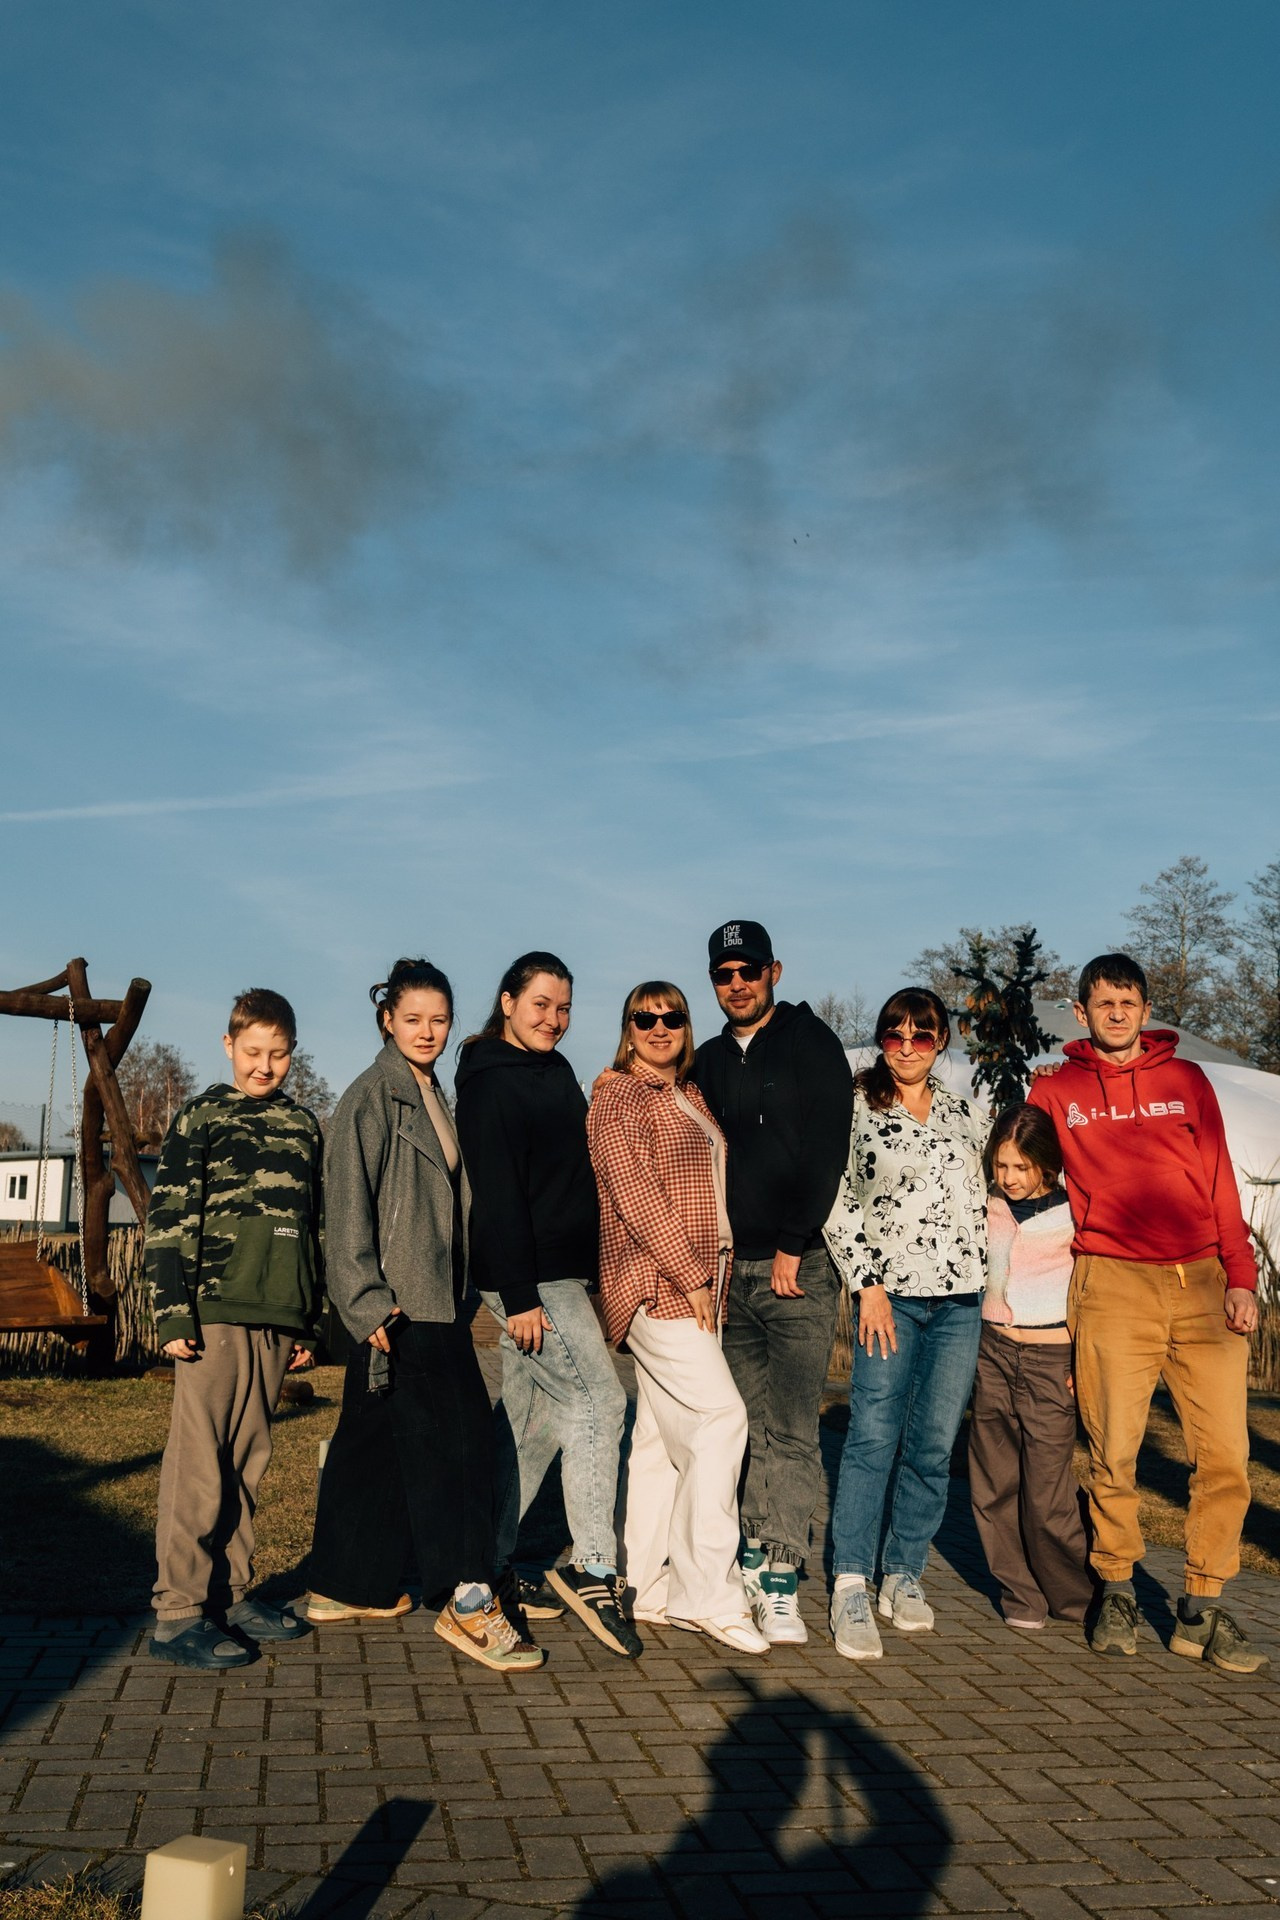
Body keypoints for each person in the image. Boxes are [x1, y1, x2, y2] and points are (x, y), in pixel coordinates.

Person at [1028, 953, 1267, 1675]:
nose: (1118, 1012)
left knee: (1225, 1454)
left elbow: (1221, 1176)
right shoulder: (1056, 1090)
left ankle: (1201, 1607)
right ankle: (1120, 1589)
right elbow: (1023, 1181)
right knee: (1115, 1448)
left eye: (1129, 1001)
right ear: (1082, 1012)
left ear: (1145, 1008)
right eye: (1104, 1003)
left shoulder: (1186, 1080)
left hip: (1201, 1281)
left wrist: (1241, 1274)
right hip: (1113, 1283)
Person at [305, 959, 541, 1674]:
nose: (428, 1031)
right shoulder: (372, 1096)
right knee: (462, 1443)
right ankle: (469, 1604)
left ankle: (345, 1584)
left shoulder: (430, 1089)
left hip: (434, 1293)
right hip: (403, 1301)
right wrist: (366, 1299)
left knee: (371, 1444)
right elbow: (345, 1207)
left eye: (439, 1019)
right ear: (387, 1020)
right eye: (413, 1019)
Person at [455, 952, 640, 1659]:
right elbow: (497, 1192)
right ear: (507, 1002)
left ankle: (489, 1566)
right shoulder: (487, 1082)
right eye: (539, 1005)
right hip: (528, 1281)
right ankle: (592, 1568)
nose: (553, 1020)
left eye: (563, 1008)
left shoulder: (557, 1071)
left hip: (564, 1275)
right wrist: (522, 1295)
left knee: (530, 1426)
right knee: (600, 1402)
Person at [588, 981, 767, 1655]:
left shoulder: (686, 1094)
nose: (659, 1027)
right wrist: (690, 1275)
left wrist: (705, 1278)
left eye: (672, 1017)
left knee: (661, 1444)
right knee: (724, 1420)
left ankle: (646, 1584)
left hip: (701, 1281)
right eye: (645, 1017)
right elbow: (635, 1196)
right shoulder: (617, 1097)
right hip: (654, 1282)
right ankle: (709, 1595)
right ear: (628, 1027)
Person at [146, 988, 322, 1669]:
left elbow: (314, 1227)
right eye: (253, 1052)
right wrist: (170, 1312)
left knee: (249, 1464)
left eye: (278, 1054)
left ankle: (234, 1592)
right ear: (229, 1046)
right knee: (199, 1466)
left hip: (278, 1318)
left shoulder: (304, 1125)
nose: (264, 1066)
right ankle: (179, 1611)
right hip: (212, 1314)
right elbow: (169, 1217)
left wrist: (311, 1320)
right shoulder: (201, 1116)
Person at [689, 920, 853, 1645]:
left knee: (790, 1429)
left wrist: (793, 1242)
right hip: (729, 1273)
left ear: (774, 971)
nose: (737, 984)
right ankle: (750, 1555)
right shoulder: (707, 1059)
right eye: (724, 974)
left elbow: (827, 1150)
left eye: (749, 971)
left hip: (796, 1273)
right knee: (741, 1427)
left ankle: (781, 1574)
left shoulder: (810, 1044)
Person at [823, 988, 986, 1660]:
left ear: (942, 1040)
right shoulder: (857, 1109)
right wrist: (867, 1286)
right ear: (883, 1040)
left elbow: (990, 1194)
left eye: (923, 1035)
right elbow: (837, 1202)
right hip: (889, 1301)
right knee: (872, 1437)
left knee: (932, 1445)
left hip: (960, 1303)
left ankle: (904, 1573)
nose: (909, 1047)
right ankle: (851, 1583)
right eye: (896, 1035)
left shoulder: (963, 1115)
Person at [968, 1104, 1095, 1631]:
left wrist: (1082, 1361)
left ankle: (1077, 1598)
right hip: (992, 1354)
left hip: (1050, 1361)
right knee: (993, 1486)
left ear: (1046, 1165)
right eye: (1001, 1167)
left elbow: (1093, 1292)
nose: (1010, 1179)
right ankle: (1021, 1595)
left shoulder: (1076, 1212)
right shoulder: (989, 1205)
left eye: (1022, 1168)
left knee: (1048, 1496)